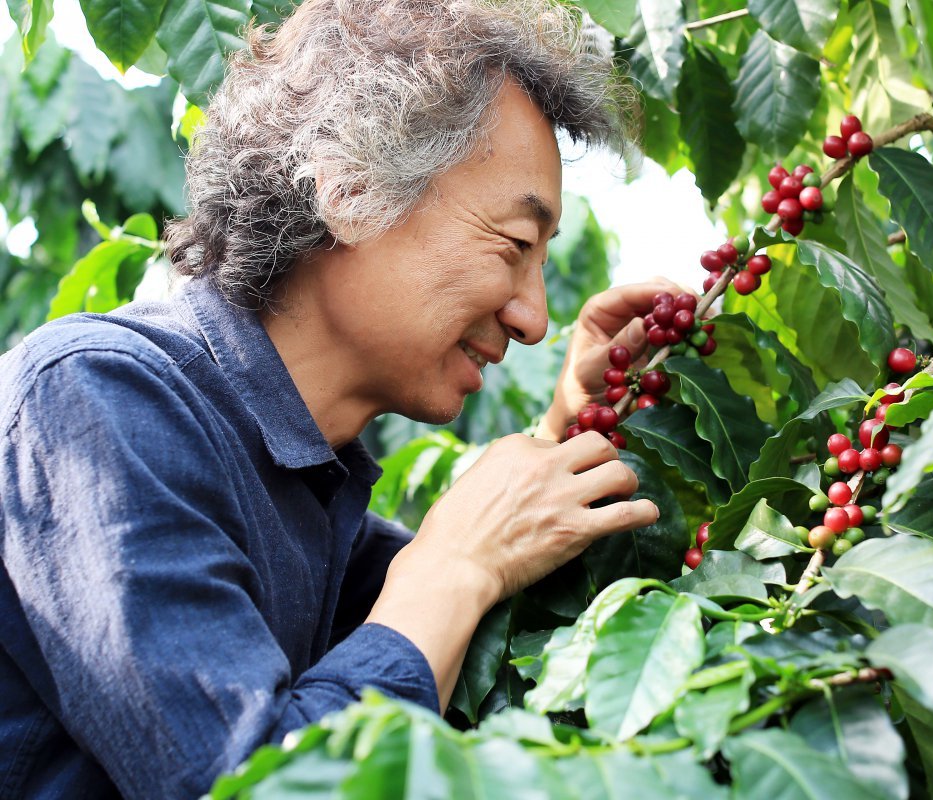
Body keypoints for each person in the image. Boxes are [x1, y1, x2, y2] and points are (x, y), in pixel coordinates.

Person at [0, 0, 673, 796]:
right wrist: (453, 564)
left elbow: (451, 647)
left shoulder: (314, 501)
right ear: (351, 189)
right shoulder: (95, 399)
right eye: (515, 246)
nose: (536, 319)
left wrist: (573, 431)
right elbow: (258, 782)